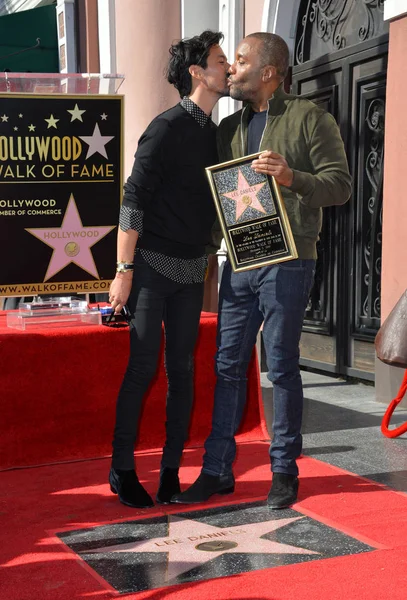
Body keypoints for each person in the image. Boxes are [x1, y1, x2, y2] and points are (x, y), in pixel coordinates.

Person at [172, 32, 352, 509]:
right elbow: (218, 201)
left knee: (282, 364)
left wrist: (291, 176)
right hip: (240, 262)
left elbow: (340, 186)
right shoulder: (226, 129)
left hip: (290, 261)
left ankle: (283, 471)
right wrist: (206, 256)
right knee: (227, 364)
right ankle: (217, 470)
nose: (232, 68)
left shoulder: (312, 119)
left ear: (270, 72)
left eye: (243, 61)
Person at [108, 31, 230, 509]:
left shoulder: (219, 134)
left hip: (192, 270)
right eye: (221, 60)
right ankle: (122, 468)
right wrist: (123, 269)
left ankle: (171, 472)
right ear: (197, 72)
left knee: (181, 371)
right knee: (141, 369)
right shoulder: (164, 128)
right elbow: (132, 199)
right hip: (151, 270)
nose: (229, 68)